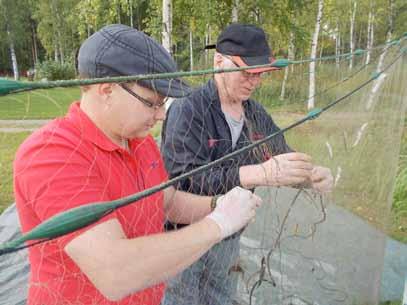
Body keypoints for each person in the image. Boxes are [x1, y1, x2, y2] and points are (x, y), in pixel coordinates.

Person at [13, 24, 262, 305]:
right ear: (107, 90)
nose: (160, 116)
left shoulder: (139, 142)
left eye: (163, 104)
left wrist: (218, 204)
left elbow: (166, 202)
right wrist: (218, 224)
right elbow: (115, 272)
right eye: (152, 103)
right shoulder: (52, 155)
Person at [161, 23, 334, 305]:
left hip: (228, 238)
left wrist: (309, 176)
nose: (253, 81)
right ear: (219, 61)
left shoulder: (255, 113)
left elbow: (280, 154)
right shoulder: (188, 108)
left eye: (260, 74)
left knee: (220, 298)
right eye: (246, 72)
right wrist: (257, 173)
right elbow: (186, 181)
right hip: (185, 238)